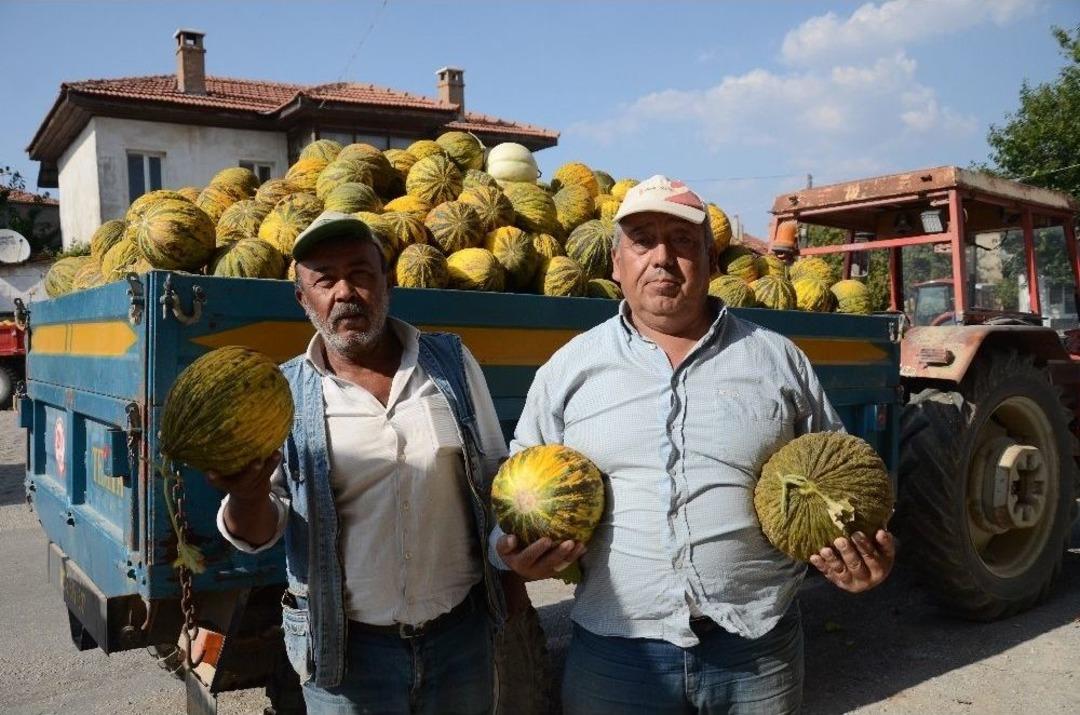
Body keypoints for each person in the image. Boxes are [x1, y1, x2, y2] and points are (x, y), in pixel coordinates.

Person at [494, 176, 895, 714]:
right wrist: (515, 553)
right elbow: (516, 484)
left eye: (682, 242)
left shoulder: (777, 359)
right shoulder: (570, 367)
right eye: (642, 240)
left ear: (710, 260)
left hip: (756, 647)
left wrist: (861, 553)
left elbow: (842, 474)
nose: (662, 258)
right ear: (616, 263)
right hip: (617, 653)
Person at [208, 211, 514, 715]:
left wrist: (514, 582)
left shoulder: (452, 364)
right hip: (347, 659)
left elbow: (495, 480)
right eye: (325, 280)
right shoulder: (281, 394)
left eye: (360, 273)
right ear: (303, 299)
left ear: (387, 282)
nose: (345, 291)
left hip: (459, 642)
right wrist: (246, 493)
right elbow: (259, 530)